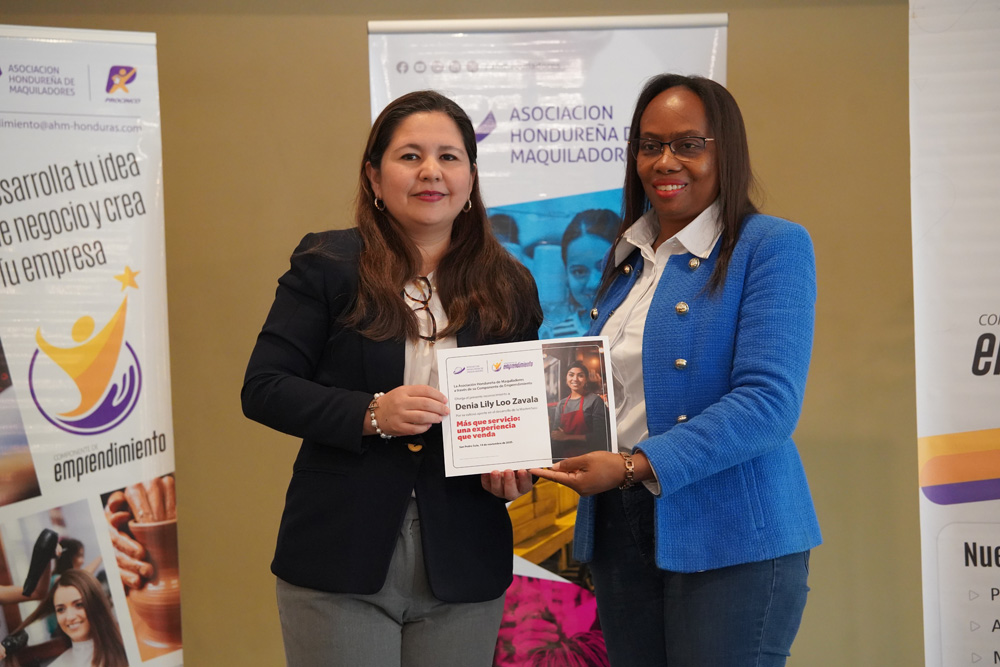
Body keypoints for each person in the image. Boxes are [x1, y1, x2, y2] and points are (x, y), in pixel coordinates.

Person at [242, 90, 542, 667]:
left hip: (464, 557)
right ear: (374, 177)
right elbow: (265, 387)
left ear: (471, 178)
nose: (431, 171)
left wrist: (516, 471)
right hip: (339, 552)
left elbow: (520, 417)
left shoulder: (510, 285)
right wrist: (370, 413)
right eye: (410, 156)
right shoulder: (328, 265)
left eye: (449, 157)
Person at [531, 73, 822, 666]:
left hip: (730, 533)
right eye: (650, 145)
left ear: (725, 151)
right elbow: (595, 392)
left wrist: (634, 465)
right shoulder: (626, 258)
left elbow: (768, 404)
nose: (665, 161)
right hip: (619, 526)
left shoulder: (771, 246)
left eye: (688, 144)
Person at [6, 569, 127, 667]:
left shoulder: (128, 651)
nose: (69, 617)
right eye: (61, 609)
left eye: (79, 605)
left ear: (95, 605)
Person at [543, 209, 620, 338]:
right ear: (566, 275)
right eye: (579, 271)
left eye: (604, 267)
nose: (593, 284)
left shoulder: (638, 323)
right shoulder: (554, 337)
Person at [550, 361, 609, 460]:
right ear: (566, 378)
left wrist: (566, 437)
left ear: (586, 380)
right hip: (566, 459)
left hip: (590, 458)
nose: (575, 379)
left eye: (580, 375)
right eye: (571, 375)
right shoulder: (561, 404)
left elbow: (600, 436)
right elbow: (555, 435)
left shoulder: (595, 400)